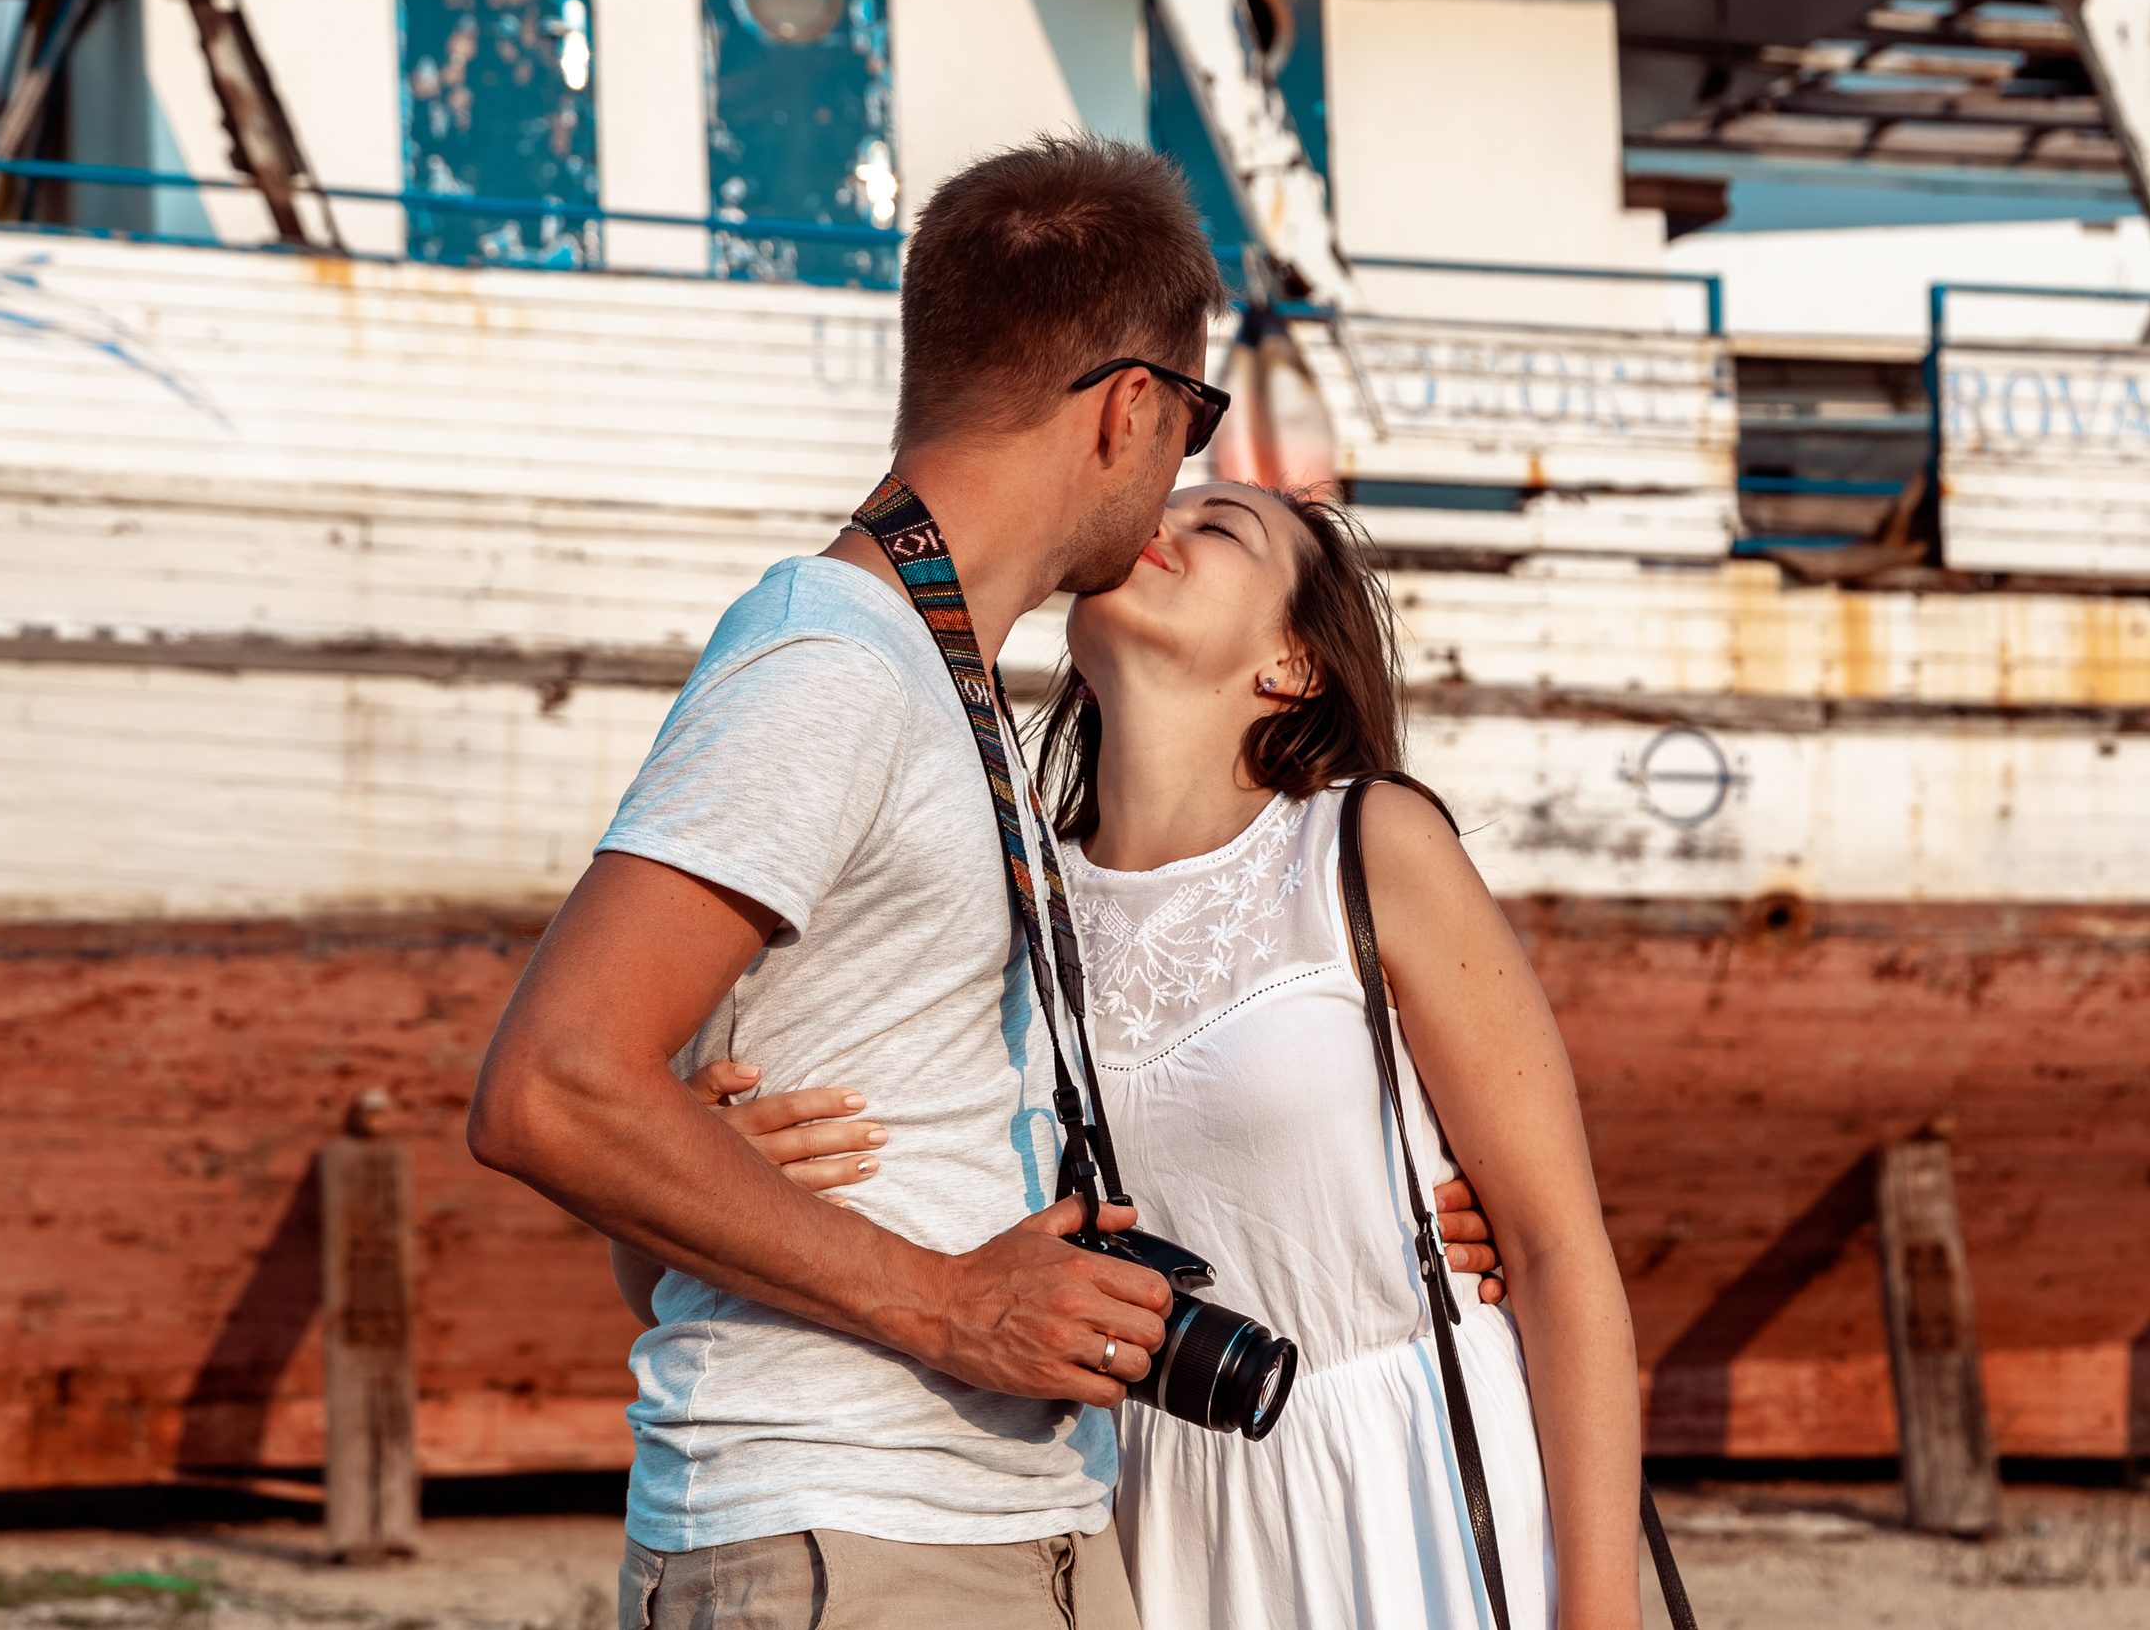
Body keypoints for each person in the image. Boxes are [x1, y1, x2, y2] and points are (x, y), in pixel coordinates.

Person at [469, 135, 1504, 1630]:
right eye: (1190, 430)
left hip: (993, 1528)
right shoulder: (832, 661)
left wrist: (1399, 1198)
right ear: (1133, 405)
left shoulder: (943, 691)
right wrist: (946, 1301)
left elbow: (680, 1203)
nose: (1172, 491)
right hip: (855, 1530)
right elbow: (548, 1086)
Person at [680, 481, 1647, 1630]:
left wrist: (1600, 1615)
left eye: (1218, 528)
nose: (1163, 525)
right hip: (1143, 1511)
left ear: (1291, 664)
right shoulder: (1009, 899)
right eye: (1164, 507)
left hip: (1403, 1467)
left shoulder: (1366, 842)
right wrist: (703, 1155)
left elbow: (1553, 1250)